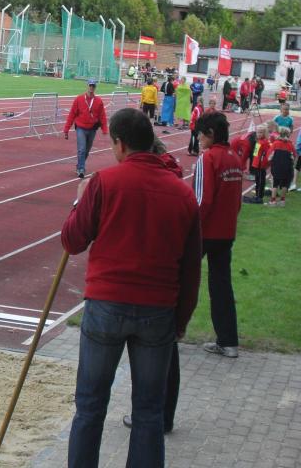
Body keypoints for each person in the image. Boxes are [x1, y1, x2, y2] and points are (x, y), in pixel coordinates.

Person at [62, 108, 202, 468]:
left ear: (121, 144)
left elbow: (72, 241)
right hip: (158, 311)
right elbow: (191, 269)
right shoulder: (182, 193)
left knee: (90, 407)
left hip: (106, 306)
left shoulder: (104, 182)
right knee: (149, 412)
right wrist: (181, 320)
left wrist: (79, 200)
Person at [122, 136, 184, 435]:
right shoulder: (175, 177)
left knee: (147, 358)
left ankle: (148, 415)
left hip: (148, 279)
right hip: (168, 279)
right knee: (167, 354)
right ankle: (164, 416)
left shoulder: (157, 180)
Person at [194, 111, 243, 358]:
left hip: (205, 232)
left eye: (200, 134)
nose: (198, 138)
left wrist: (190, 228)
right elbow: (237, 201)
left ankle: (169, 332)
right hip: (227, 232)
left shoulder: (208, 158)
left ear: (211, 134)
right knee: (222, 285)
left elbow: (202, 200)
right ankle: (228, 342)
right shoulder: (235, 157)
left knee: (181, 280)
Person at [63, 80, 108, 179]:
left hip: (92, 129)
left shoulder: (98, 101)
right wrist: (66, 129)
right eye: (90, 85)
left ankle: (79, 165)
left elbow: (102, 116)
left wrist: (104, 129)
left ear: (95, 87)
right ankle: (81, 169)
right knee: (82, 149)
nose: (91, 87)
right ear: (87, 86)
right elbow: (72, 114)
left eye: (93, 86)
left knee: (87, 150)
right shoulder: (79, 99)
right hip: (81, 128)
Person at [267, 127, 295, 206]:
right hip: (287, 167)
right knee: (285, 184)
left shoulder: (275, 143)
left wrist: (271, 162)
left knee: (275, 183)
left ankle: (273, 201)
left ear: (279, 133)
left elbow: (269, 156)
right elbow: (294, 156)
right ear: (288, 134)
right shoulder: (290, 144)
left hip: (277, 167)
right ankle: (282, 201)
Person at [244, 124, 270, 204]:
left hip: (261, 165)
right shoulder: (258, 141)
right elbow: (255, 153)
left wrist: (264, 163)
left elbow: (267, 153)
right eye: (258, 132)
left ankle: (259, 197)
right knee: (257, 180)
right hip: (256, 164)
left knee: (261, 181)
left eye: (261, 132)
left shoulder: (265, 142)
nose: (258, 134)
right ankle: (257, 196)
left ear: (264, 133)